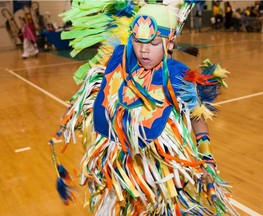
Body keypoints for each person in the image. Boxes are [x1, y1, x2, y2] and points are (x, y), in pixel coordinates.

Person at [50, 2, 239, 216]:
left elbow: (197, 117)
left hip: (157, 177)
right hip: (117, 171)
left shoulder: (178, 76)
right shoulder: (122, 58)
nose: (143, 49)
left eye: (154, 42)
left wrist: (207, 158)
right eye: (138, 41)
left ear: (170, 43)